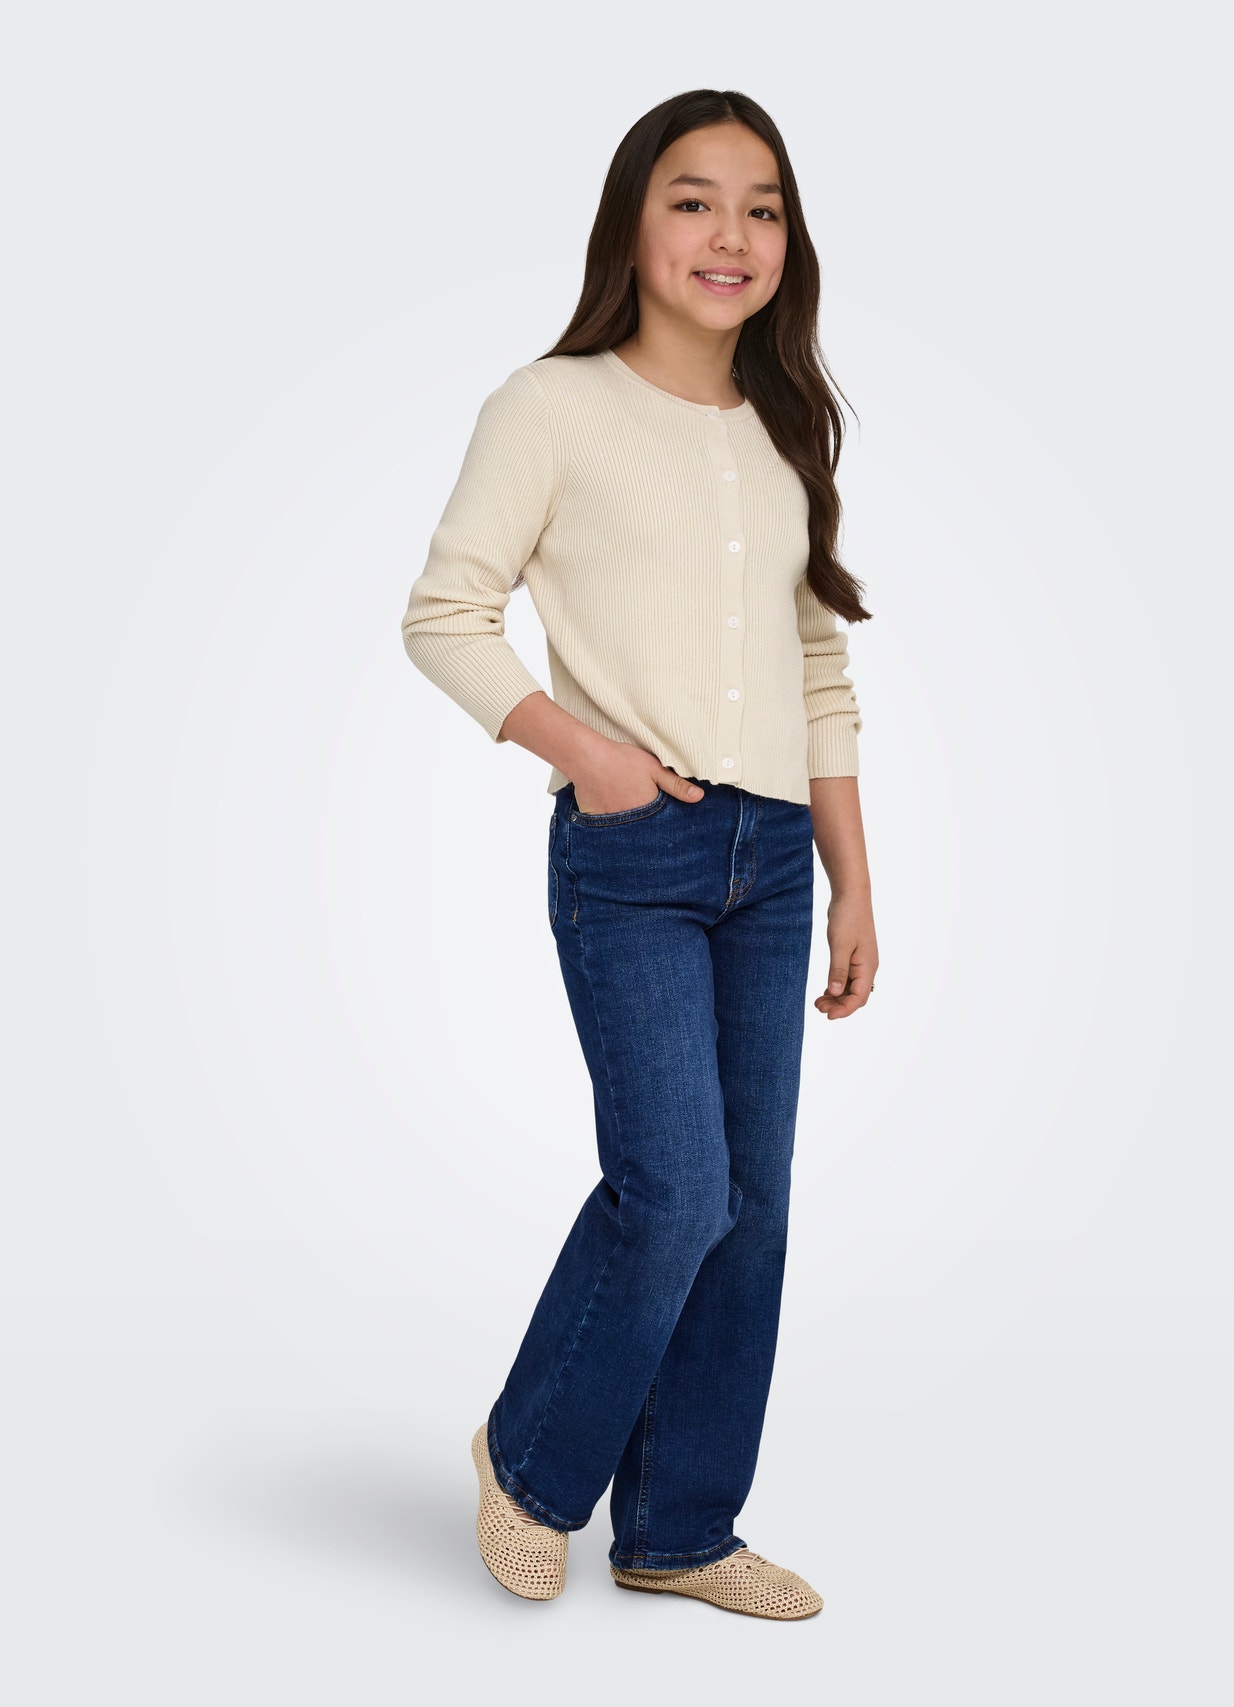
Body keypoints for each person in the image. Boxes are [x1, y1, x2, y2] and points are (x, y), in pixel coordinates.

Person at [400, 87, 878, 1621]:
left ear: (788, 243)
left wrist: (854, 878)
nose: (732, 234)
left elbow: (818, 671)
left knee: (753, 1205)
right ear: (632, 224)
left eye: (762, 207)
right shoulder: (552, 407)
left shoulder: (785, 432)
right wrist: (591, 756)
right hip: (635, 852)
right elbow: (445, 615)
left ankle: (679, 1527)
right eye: (694, 199)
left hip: (774, 857)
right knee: (674, 1190)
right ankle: (533, 1463)